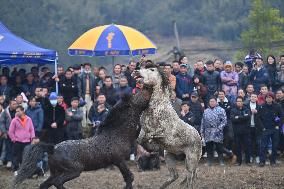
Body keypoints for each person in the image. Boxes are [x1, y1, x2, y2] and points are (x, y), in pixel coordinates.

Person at [200, 97, 235, 166]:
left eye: (213, 101)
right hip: (208, 131)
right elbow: (203, 122)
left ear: (216, 102)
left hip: (217, 131)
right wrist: (202, 131)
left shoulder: (221, 110)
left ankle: (221, 161)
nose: (212, 103)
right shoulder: (206, 111)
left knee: (219, 147)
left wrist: (219, 128)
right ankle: (209, 161)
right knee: (209, 147)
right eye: (210, 101)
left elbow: (224, 121)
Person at [8, 106, 37, 175]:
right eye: (16, 111)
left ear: (23, 111)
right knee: (17, 156)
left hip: (27, 141)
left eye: (18, 111)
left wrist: (32, 138)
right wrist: (13, 139)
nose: (17, 112)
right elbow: (10, 131)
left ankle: (24, 170)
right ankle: (16, 169)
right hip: (18, 141)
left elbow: (32, 129)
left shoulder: (29, 119)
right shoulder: (14, 120)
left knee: (26, 156)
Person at [258, 92, 283, 166]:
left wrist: (278, 125)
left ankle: (273, 161)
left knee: (275, 146)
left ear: (273, 98)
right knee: (263, 146)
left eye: (270, 97)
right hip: (265, 129)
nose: (269, 98)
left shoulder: (277, 106)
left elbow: (281, 116)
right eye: (267, 97)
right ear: (265, 98)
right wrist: (262, 127)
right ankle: (262, 161)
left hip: (275, 129)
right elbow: (258, 118)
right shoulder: (262, 106)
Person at [230, 96, 251, 165]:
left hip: (246, 131)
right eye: (238, 101)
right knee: (238, 147)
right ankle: (239, 161)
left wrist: (238, 117)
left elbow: (248, 117)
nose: (239, 102)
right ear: (236, 102)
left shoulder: (246, 109)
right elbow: (233, 119)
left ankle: (248, 161)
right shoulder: (233, 110)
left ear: (242, 102)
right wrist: (243, 117)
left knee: (247, 146)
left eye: (240, 101)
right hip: (237, 131)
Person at [245, 93, 261, 163]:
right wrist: (250, 112)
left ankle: (257, 156)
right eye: (252, 97)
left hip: (257, 127)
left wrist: (257, 112)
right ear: (250, 97)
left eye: (255, 97)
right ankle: (250, 156)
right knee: (249, 143)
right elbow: (244, 114)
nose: (253, 98)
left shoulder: (259, 106)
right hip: (248, 126)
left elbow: (262, 116)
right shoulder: (246, 105)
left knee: (258, 142)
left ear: (257, 98)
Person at [79, 63, 96, 127]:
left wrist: (94, 97)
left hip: (90, 96)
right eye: (86, 67)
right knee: (83, 111)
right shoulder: (80, 76)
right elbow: (79, 87)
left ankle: (89, 125)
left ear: (90, 68)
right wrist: (80, 96)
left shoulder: (93, 76)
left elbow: (94, 87)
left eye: (88, 67)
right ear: (84, 68)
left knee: (90, 111)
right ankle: (83, 126)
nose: (87, 68)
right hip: (83, 96)